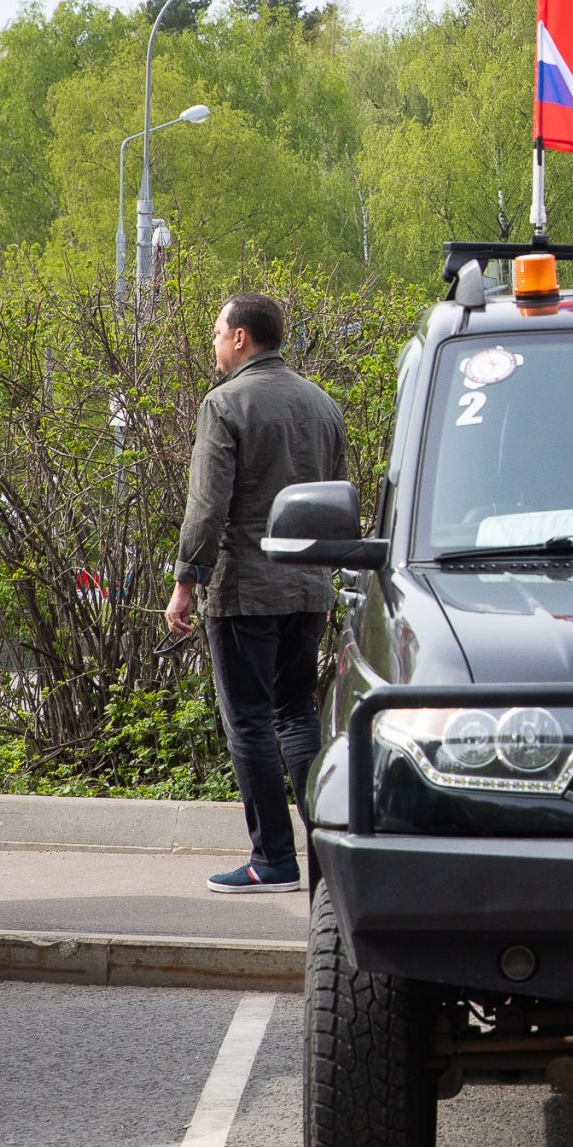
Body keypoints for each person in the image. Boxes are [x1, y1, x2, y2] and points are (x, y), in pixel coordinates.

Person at [167, 294, 349, 893]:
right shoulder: (323, 404)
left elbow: (208, 505)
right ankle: (326, 856)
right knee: (297, 714)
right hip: (309, 587)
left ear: (241, 338)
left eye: (217, 333)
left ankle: (272, 859)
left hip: (245, 589)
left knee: (247, 723)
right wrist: (325, 576)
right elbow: (336, 498)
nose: (213, 344)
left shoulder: (224, 404)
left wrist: (186, 579)